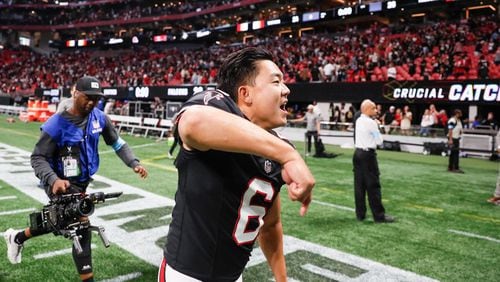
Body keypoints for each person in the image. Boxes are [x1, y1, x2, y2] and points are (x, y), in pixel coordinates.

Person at [158, 47, 315, 282]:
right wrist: (288, 155)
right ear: (245, 93)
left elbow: (270, 225)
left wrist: (282, 279)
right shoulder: (217, 103)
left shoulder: (275, 148)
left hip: (233, 275)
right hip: (186, 275)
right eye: (276, 81)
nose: (286, 89)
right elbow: (193, 122)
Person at [3, 76, 148, 282]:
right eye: (87, 97)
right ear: (75, 93)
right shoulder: (56, 124)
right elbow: (38, 157)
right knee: (81, 224)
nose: (91, 103)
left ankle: (16, 237)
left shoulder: (99, 118)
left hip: (81, 181)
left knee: (60, 221)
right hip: (60, 182)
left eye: (96, 99)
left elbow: (117, 143)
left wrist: (134, 162)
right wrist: (53, 180)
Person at [353, 99, 395, 223]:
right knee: (373, 185)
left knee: (359, 185)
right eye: (374, 108)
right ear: (366, 109)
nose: (376, 111)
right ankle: (379, 216)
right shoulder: (371, 123)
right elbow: (379, 141)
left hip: (358, 154)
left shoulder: (359, 120)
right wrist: (377, 126)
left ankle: (360, 214)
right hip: (368, 156)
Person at [448, 109, 464, 173]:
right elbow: (450, 130)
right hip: (453, 138)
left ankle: (451, 167)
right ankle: (455, 168)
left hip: (456, 138)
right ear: (456, 113)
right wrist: (450, 139)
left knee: (453, 153)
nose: (461, 114)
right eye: (460, 113)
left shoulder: (459, 120)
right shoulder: (452, 120)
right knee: (455, 153)